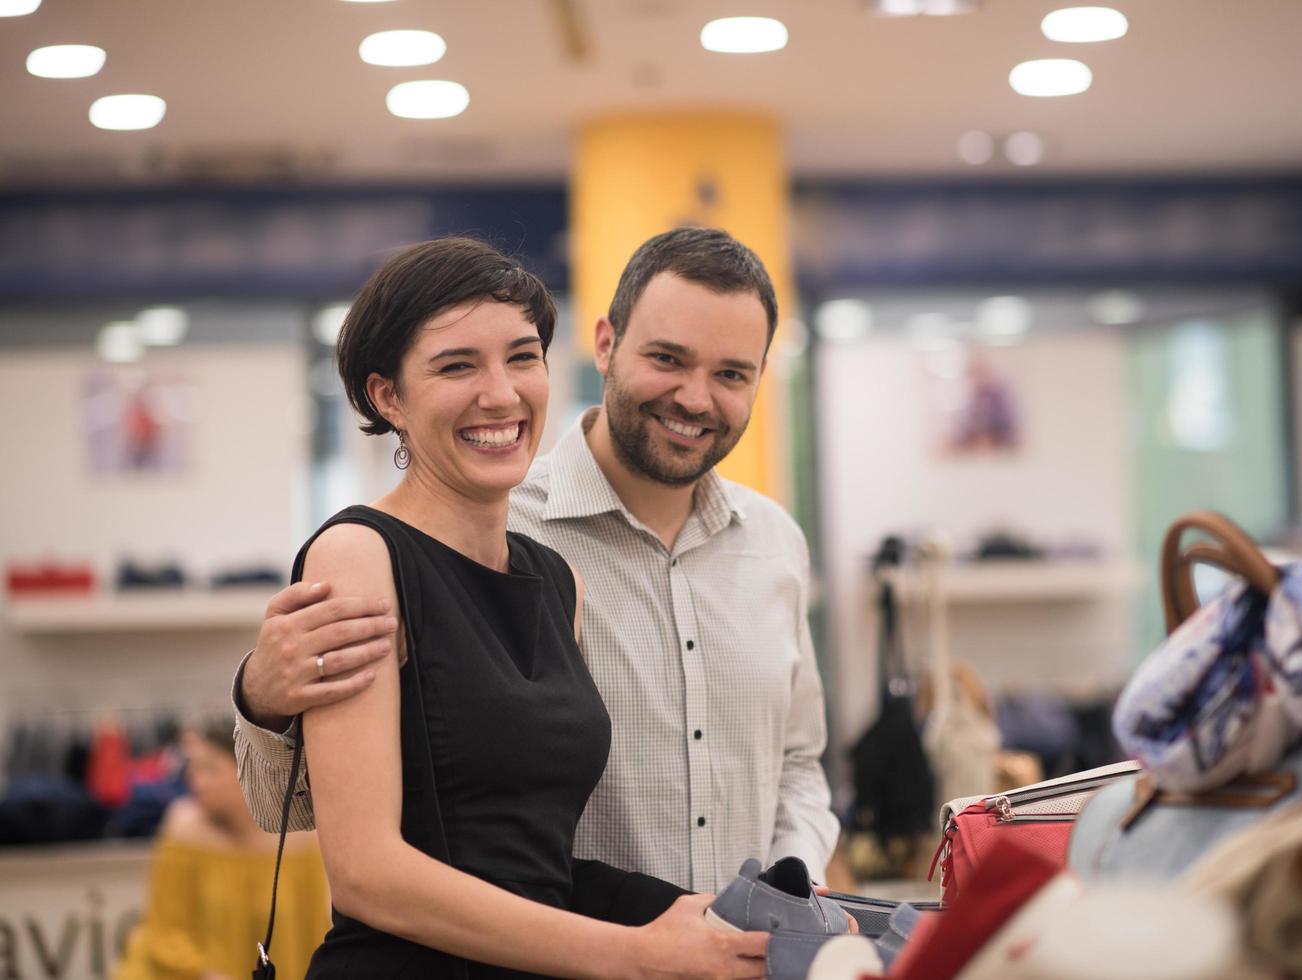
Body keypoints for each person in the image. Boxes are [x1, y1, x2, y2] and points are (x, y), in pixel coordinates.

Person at [234, 227, 840, 894]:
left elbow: (797, 762)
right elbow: (291, 813)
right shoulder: (483, 536)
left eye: (730, 373)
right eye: (667, 359)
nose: (695, 398)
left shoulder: (775, 545)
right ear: (604, 344)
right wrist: (265, 699)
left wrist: (792, 889)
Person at [114, 716, 330, 980]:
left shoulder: (303, 839)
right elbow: (165, 932)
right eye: (193, 770)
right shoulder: (184, 829)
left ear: (247, 768)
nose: (198, 783)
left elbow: (314, 933)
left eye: (211, 769)